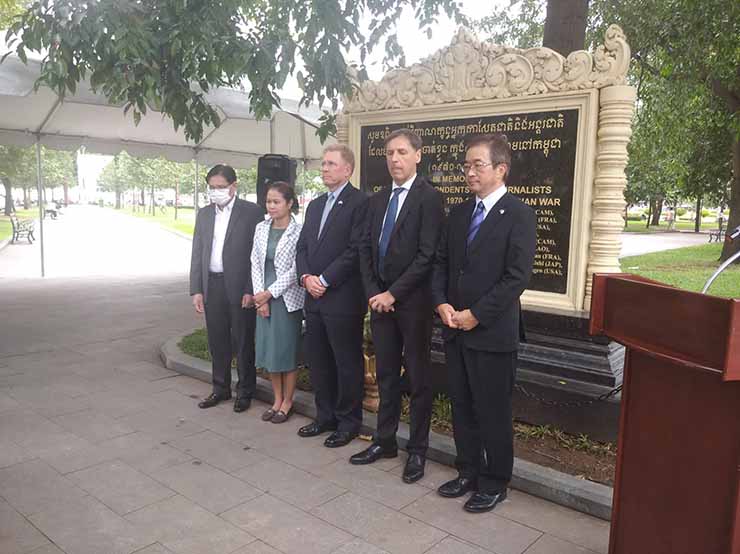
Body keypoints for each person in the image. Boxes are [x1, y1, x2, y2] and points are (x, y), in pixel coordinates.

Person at [432, 134, 536, 513]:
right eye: (466, 165)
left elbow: (516, 277)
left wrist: (475, 314)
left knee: (492, 411)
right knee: (461, 405)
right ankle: (468, 471)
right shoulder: (459, 214)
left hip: (491, 332)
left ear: (500, 169)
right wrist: (442, 303)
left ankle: (495, 482)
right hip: (455, 329)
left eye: (478, 164)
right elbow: (442, 263)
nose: (469, 171)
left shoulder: (520, 215)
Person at [351, 128, 445, 484]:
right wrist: (376, 292)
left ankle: (417, 451)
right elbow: (364, 249)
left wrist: (394, 294)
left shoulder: (429, 198)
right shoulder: (377, 201)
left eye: (402, 152)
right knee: (386, 375)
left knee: (419, 380)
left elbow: (427, 256)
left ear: (418, 155)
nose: (395, 159)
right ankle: (385, 440)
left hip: (414, 306)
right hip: (380, 305)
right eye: (390, 153)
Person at [296, 144, 368, 448]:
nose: (324, 168)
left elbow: (356, 250)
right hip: (313, 299)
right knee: (319, 361)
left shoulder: (360, 203)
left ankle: (348, 422)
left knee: (346, 362)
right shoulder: (314, 205)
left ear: (347, 169)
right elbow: (302, 248)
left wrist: (325, 279)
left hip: (342, 299)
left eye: (330, 164)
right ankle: (324, 416)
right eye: (323, 163)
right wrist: (305, 277)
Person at [189, 164, 263, 412]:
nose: (216, 191)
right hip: (212, 284)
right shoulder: (204, 214)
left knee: (242, 341)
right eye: (212, 187)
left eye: (221, 187)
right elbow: (197, 252)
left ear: (234, 186)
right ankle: (219, 388)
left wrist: (250, 288)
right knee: (217, 340)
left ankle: (245, 390)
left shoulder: (251, 212)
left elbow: (257, 254)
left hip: (240, 287)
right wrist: (197, 289)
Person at [251, 181, 304, 424]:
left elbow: (295, 270)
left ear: (289, 203)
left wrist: (270, 293)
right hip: (263, 296)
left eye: (276, 202)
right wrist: (259, 297)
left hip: (286, 298)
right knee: (270, 351)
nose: (271, 206)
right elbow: (254, 263)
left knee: (286, 351)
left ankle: (288, 402)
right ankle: (276, 399)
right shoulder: (261, 228)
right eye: (268, 201)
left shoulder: (299, 231)